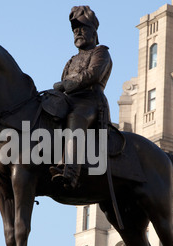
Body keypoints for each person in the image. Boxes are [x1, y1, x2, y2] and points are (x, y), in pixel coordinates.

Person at [49, 6, 113, 189]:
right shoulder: (70, 60)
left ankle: (70, 172)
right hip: (69, 100)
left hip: (91, 101)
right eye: (75, 30)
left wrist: (66, 84)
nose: (78, 32)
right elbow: (62, 83)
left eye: (82, 28)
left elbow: (92, 74)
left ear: (93, 31)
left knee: (75, 117)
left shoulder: (101, 52)